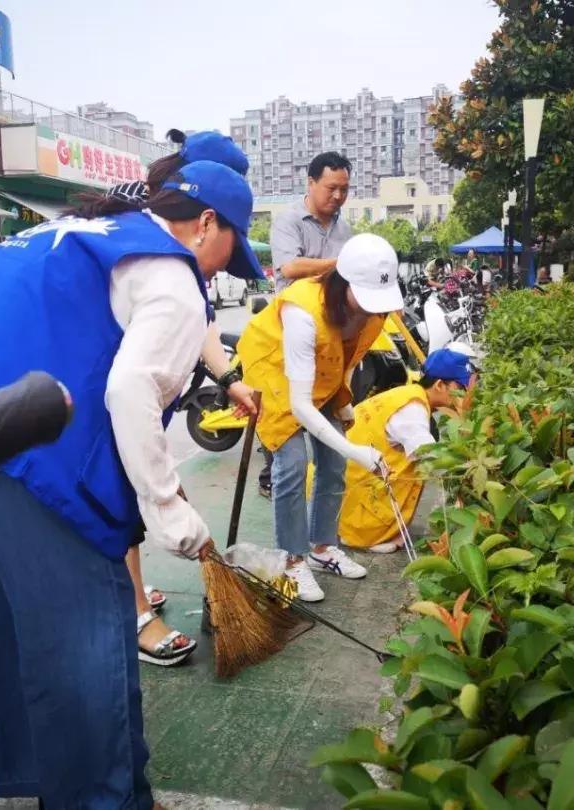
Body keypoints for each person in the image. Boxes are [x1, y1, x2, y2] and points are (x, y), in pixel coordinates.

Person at [0, 159, 263, 808]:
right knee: (86, 633)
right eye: (230, 253)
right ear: (206, 223)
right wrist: (167, 508)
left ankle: (69, 781)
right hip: (21, 444)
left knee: (8, 614)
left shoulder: (80, 228)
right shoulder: (173, 274)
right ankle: (99, 799)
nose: (223, 271)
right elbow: (130, 389)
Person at [121, 129, 258, 666]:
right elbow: (130, 386)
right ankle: (132, 609)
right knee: (117, 496)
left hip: (122, 378)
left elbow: (199, 317)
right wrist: (169, 506)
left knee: (131, 489)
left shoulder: (179, 241)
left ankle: (128, 589)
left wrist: (229, 379)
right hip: (84, 384)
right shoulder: (143, 220)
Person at [239, 233, 403, 602]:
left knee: (334, 462)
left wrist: (343, 399)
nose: (372, 308)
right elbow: (299, 406)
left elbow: (349, 353)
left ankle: (322, 548)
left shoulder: (373, 313)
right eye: (366, 296)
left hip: (321, 376)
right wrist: (357, 449)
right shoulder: (302, 311)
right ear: (343, 281)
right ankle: (292, 559)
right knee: (292, 464)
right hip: (276, 375)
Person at [254, 152, 354, 498]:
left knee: (334, 460)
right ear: (310, 183)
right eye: (331, 188)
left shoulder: (344, 228)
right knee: (290, 458)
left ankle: (324, 532)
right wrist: (341, 263)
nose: (338, 196)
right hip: (290, 335)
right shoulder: (288, 221)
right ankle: (270, 476)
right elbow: (290, 268)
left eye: (344, 189)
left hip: (329, 337)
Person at [338, 349, 476, 553]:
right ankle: (366, 535)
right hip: (354, 504)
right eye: (461, 388)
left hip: (342, 485)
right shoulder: (412, 410)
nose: (466, 395)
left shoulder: (407, 395)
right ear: (439, 385)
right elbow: (432, 457)